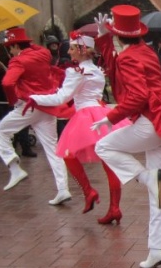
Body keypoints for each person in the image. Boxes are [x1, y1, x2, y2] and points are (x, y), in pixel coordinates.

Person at [92, 5, 161, 268]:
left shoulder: (129, 57)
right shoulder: (145, 51)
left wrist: (111, 117)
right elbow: (116, 66)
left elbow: (137, 95)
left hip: (151, 123)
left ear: (119, 35)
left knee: (103, 146)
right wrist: (104, 39)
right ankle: (158, 248)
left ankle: (145, 178)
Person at [26, 32, 127, 224]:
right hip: (101, 113)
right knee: (109, 161)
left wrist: (35, 97)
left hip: (86, 116)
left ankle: (89, 191)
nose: (69, 51)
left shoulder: (77, 72)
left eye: (72, 48)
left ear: (81, 51)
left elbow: (61, 98)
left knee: (67, 154)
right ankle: (114, 207)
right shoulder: (96, 69)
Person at [0, 27, 74, 202]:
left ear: (14, 47)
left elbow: (7, 83)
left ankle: (14, 168)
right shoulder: (43, 54)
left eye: (10, 47)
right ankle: (63, 189)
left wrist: (13, 100)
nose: (9, 51)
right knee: (53, 149)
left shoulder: (18, 61)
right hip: (47, 104)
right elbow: (37, 50)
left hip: (29, 105)